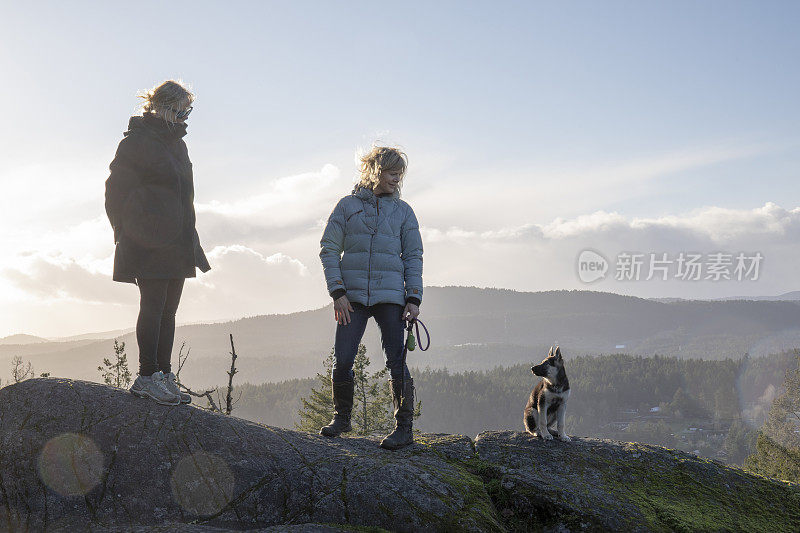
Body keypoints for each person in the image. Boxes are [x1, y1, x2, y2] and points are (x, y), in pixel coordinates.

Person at [104, 80, 211, 406]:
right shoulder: (136, 143)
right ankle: (146, 377)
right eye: (181, 111)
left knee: (169, 310)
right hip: (147, 241)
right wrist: (126, 232)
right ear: (163, 108)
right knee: (152, 307)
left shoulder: (177, 145)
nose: (185, 117)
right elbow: (114, 193)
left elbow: (184, 196)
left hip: (178, 240)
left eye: (188, 110)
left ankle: (163, 376)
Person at [319, 146, 423, 450]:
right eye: (392, 172)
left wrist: (413, 298)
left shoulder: (404, 212)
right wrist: (337, 293)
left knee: (397, 360)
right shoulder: (347, 206)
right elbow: (328, 248)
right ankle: (342, 419)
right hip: (351, 297)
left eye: (400, 174)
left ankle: (404, 429)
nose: (397, 179)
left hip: (391, 295)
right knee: (343, 358)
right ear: (376, 170)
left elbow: (413, 255)